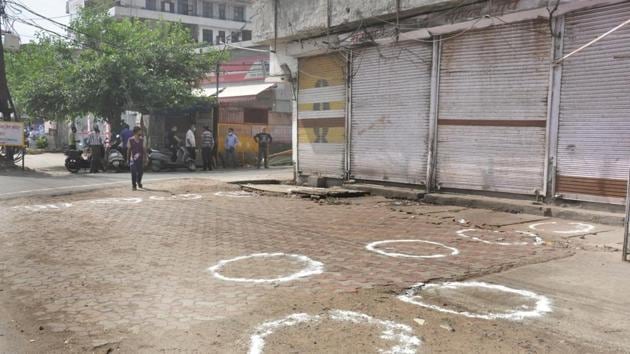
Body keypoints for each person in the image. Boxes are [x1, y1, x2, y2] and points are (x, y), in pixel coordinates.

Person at [127, 126, 146, 191]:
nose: (141, 132)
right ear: (136, 132)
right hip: (133, 159)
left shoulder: (142, 140)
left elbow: (144, 149)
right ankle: (134, 185)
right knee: (133, 172)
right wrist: (128, 159)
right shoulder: (130, 140)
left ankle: (139, 181)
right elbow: (129, 150)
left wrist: (145, 157)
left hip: (140, 158)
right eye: (139, 131)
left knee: (140, 172)